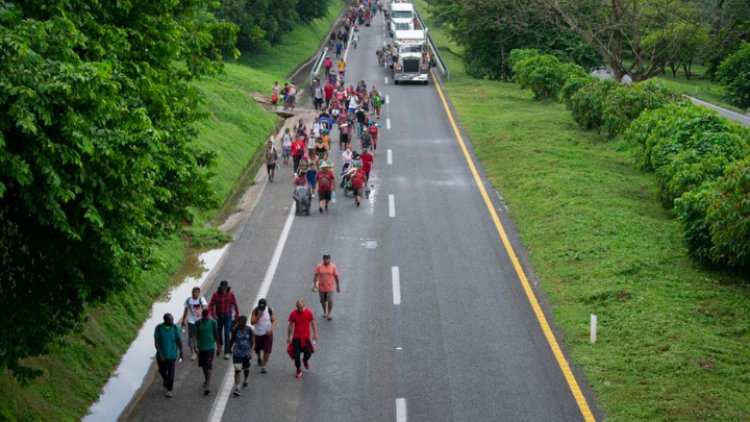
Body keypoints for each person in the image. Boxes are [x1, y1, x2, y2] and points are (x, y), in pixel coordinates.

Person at [208, 280, 239, 360]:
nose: (223, 290)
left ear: (227, 288)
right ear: (220, 288)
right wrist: (213, 315)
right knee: (218, 332)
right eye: (222, 288)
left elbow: (235, 305)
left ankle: (227, 352)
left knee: (227, 333)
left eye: (224, 289)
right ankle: (221, 344)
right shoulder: (215, 295)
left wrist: (236, 316)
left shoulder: (231, 294)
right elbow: (211, 305)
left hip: (227, 316)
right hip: (218, 317)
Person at [287, 300, 318, 379]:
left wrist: (315, 334)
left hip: (306, 338)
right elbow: (290, 326)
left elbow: (313, 322)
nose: (301, 310)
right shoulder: (293, 314)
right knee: (296, 355)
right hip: (296, 338)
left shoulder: (308, 312)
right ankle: (298, 369)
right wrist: (289, 337)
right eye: (299, 308)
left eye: (302, 308)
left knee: (308, 353)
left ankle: (305, 360)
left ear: (304, 306)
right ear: (296, 307)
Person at [154, 313, 183, 398]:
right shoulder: (158, 328)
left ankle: (169, 390)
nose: (172, 321)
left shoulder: (175, 328)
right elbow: (156, 342)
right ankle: (166, 380)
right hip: (161, 355)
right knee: (162, 371)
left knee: (171, 373)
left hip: (172, 355)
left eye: (172, 319)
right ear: (165, 320)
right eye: (170, 320)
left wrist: (181, 352)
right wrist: (160, 354)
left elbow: (178, 340)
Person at [196, 309, 220, 396]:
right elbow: (195, 335)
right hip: (201, 348)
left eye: (206, 317)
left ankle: (208, 385)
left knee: (209, 365)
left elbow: (217, 334)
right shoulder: (198, 323)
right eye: (203, 317)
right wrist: (194, 346)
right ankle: (206, 379)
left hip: (210, 347)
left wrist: (218, 347)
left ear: (208, 316)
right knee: (203, 365)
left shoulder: (213, 322)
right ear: (202, 315)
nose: (205, 318)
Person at [228, 315, 253, 396]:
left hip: (246, 354)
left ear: (244, 323)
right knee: (237, 370)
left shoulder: (249, 330)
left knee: (246, 369)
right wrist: (228, 350)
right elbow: (232, 339)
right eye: (238, 322)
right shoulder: (235, 330)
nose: (238, 323)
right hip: (237, 353)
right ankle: (237, 388)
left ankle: (245, 380)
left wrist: (251, 352)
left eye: (240, 322)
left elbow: (252, 342)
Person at [181, 287, 207, 361]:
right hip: (191, 320)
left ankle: (199, 348)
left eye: (196, 292)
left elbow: (205, 307)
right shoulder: (188, 300)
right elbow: (186, 310)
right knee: (191, 336)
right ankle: (193, 353)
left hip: (200, 320)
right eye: (193, 292)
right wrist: (183, 320)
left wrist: (201, 311)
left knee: (200, 335)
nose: (194, 294)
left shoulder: (201, 299)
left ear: (199, 293)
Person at [251, 298, 276, 373]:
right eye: (260, 307)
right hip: (258, 334)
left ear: (266, 306)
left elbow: (274, 321)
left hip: (267, 333)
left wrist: (271, 329)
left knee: (267, 350)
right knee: (257, 349)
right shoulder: (255, 310)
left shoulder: (270, 310)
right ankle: (259, 356)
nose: (262, 309)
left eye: (263, 307)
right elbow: (252, 322)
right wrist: (258, 316)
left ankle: (264, 366)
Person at [312, 254, 340, 319]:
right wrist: (314, 285)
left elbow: (336, 277)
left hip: (330, 287)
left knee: (330, 300)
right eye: (325, 259)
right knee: (322, 301)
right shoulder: (319, 266)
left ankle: (329, 313)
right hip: (321, 287)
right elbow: (315, 276)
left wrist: (338, 286)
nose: (326, 260)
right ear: (323, 259)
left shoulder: (333, 266)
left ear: (330, 259)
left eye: (327, 259)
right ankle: (325, 311)